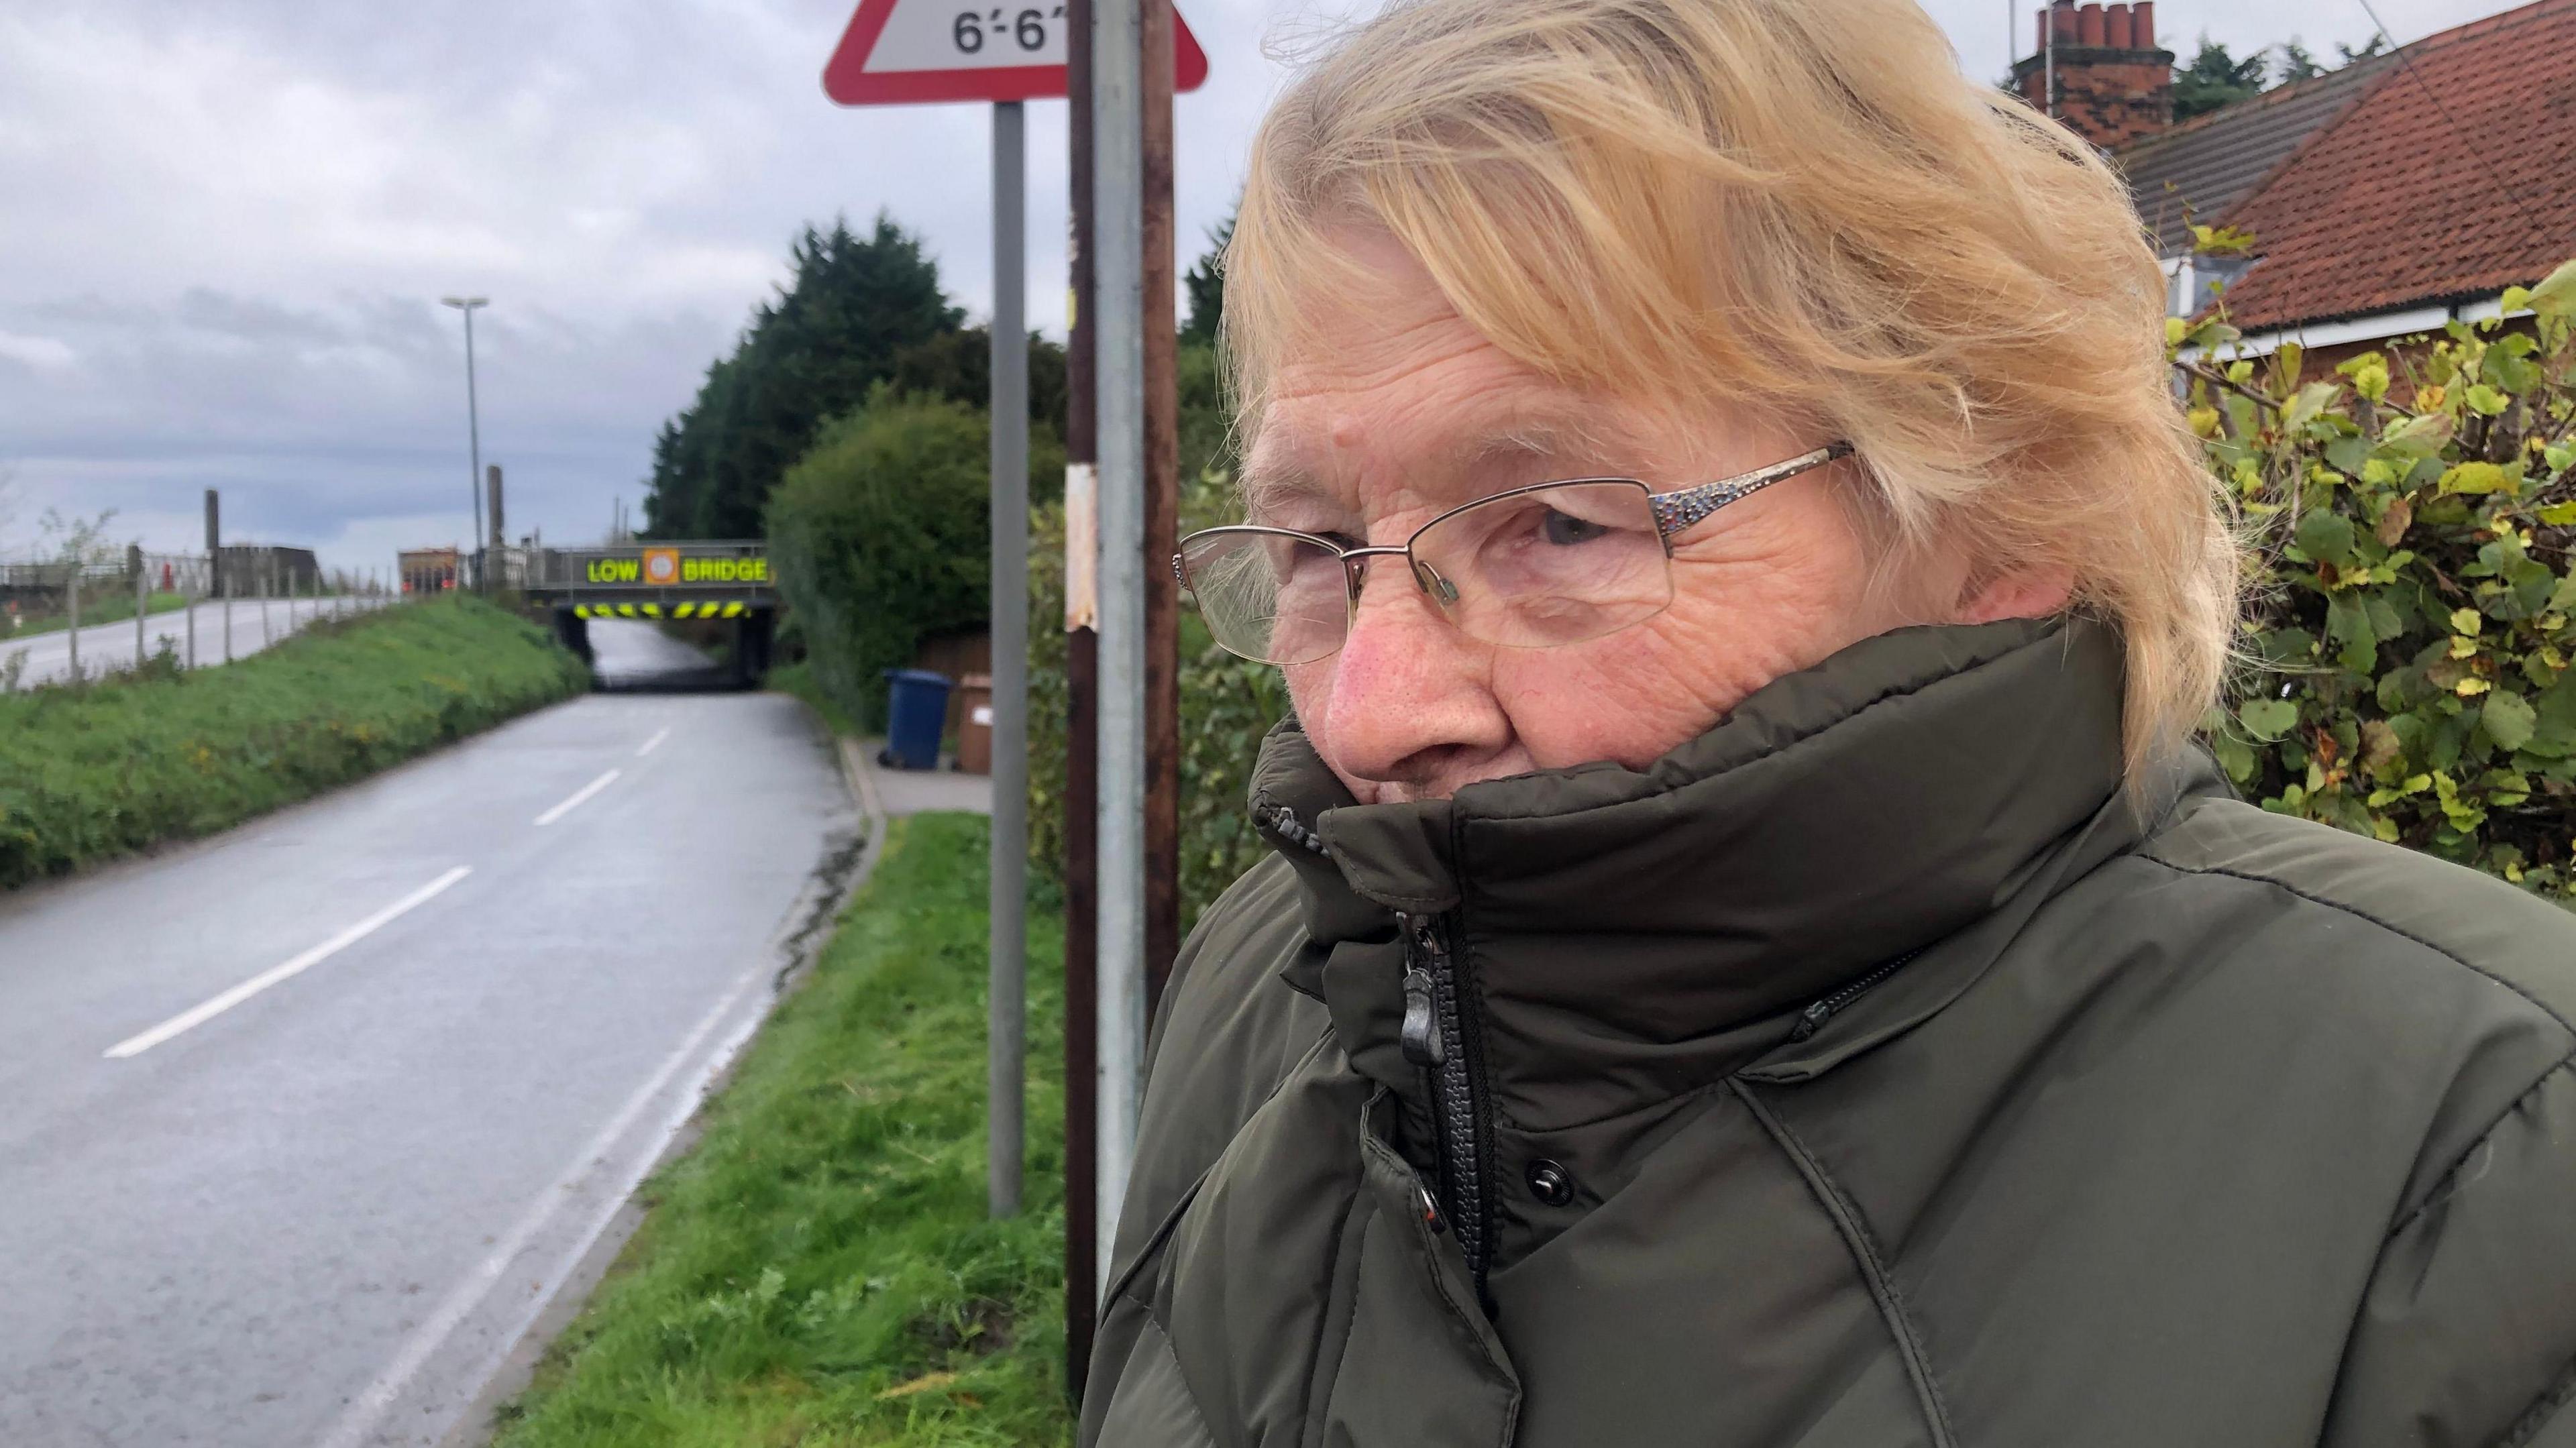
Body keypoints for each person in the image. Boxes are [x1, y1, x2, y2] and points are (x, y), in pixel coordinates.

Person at [1078, 0, 2576, 1443]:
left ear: (2000, 511)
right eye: (1321, 553)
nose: (1375, 710)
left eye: (1561, 525)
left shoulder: (2492, 1156)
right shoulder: (1262, 981)